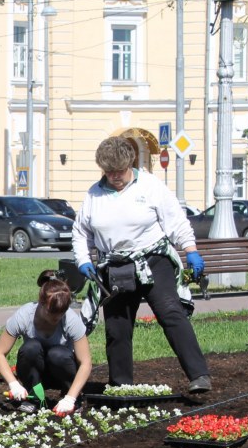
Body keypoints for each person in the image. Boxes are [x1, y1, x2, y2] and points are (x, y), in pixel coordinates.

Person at [73, 135, 211, 393]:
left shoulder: (150, 186)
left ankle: (199, 375)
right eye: (109, 172)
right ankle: (121, 384)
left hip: (153, 260)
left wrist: (190, 250)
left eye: (120, 171)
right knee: (117, 326)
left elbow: (177, 221)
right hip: (115, 266)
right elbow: (81, 232)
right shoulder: (94, 194)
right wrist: (83, 260)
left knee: (170, 312)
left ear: (130, 164)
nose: (115, 176)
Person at [0, 272, 92, 416]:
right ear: (41, 302)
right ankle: (35, 399)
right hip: (35, 373)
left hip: (61, 371)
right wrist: (13, 384)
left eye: (61, 313)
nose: (56, 317)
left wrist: (70, 398)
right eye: (52, 312)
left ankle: (70, 396)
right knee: (30, 348)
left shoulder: (70, 319)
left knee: (58, 354)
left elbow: (86, 362)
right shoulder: (25, 315)